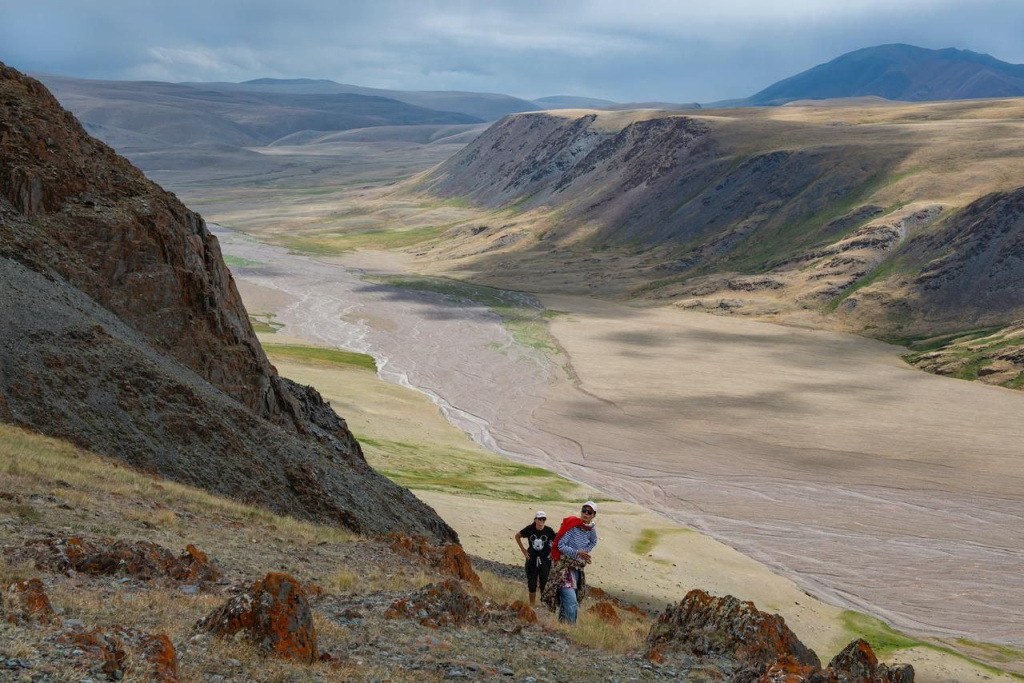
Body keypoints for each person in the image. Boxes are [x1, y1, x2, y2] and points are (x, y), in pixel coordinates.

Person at [541, 501, 598, 624]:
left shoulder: (591, 529)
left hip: (577, 569)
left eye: (589, 512)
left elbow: (594, 541)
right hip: (564, 568)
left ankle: (563, 628)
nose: (585, 514)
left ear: (593, 515)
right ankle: (571, 628)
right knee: (571, 601)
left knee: (568, 601)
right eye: (584, 510)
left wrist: (585, 552)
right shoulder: (573, 526)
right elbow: (561, 545)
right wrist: (578, 552)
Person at [514, 511, 556, 605]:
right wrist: (524, 551)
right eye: (540, 519)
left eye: (543, 519)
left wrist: (552, 553)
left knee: (544, 584)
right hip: (532, 559)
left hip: (545, 560)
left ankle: (543, 605)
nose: (541, 521)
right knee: (532, 584)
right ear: (535, 519)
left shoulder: (549, 530)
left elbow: (556, 541)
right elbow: (517, 536)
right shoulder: (529, 529)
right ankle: (532, 605)